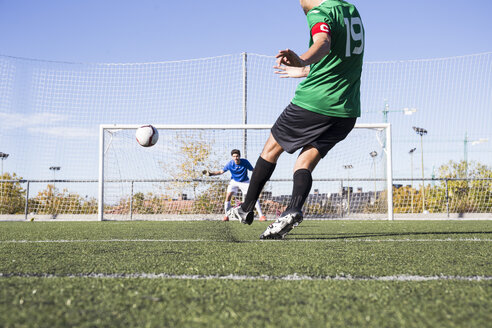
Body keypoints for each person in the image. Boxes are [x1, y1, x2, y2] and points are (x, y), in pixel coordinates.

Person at [228, 0, 364, 239]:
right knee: (304, 162)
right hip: (347, 111)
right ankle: (293, 209)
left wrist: (302, 60)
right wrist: (305, 71)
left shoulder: (319, 12)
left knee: (270, 149)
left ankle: (246, 208)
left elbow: (323, 43)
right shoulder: (351, 11)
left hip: (315, 103)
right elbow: (339, 59)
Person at [203, 149, 267, 222]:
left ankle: (261, 216)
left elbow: (253, 170)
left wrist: (261, 175)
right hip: (234, 181)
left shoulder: (245, 162)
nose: (235, 158)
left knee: (253, 197)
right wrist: (211, 174)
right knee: (228, 196)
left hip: (245, 181)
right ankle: (226, 216)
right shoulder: (230, 164)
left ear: (239, 156)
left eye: (237, 156)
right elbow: (221, 171)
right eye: (234, 156)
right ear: (232, 157)